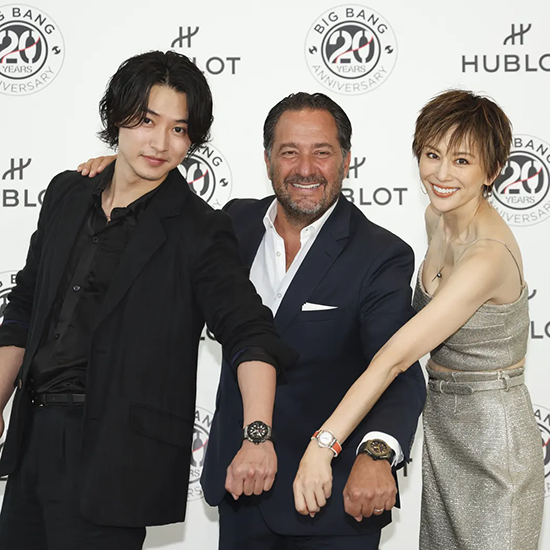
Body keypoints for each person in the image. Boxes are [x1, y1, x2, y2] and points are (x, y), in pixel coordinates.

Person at [77, 92, 427, 549]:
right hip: (242, 488)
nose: (305, 168)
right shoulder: (230, 225)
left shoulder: (380, 254)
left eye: (322, 152)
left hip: (333, 498)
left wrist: (377, 454)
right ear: (267, 160)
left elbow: (396, 368)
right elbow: (161, 216)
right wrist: (125, 169)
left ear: (346, 160)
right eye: (289, 152)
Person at [0, 50, 296, 549]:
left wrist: (258, 435)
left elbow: (250, 332)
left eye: (179, 129)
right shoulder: (67, 194)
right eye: (145, 121)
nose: (160, 143)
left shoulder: (199, 230)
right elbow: (26, 305)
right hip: (33, 438)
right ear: (116, 117)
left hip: (114, 459)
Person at [293, 90, 545, 550]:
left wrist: (323, 444)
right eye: (432, 155)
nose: (441, 174)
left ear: (492, 171)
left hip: (494, 439)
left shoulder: (487, 257)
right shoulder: (438, 218)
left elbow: (395, 358)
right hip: (443, 426)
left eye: (462, 161)